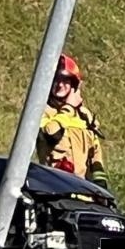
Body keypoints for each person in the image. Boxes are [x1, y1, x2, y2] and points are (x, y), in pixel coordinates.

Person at [37, 54, 109, 187]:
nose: (60, 85)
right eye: (56, 80)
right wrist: (69, 108)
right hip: (55, 189)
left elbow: (96, 153)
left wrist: (100, 184)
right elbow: (51, 134)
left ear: (74, 85)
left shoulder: (84, 116)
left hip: (83, 191)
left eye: (65, 81)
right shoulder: (42, 112)